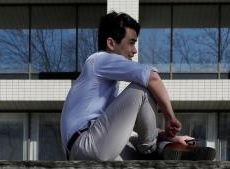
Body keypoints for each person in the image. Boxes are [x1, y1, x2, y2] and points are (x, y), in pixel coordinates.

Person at [61, 11, 215, 161]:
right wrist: (170, 117)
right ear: (111, 43)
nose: (134, 50)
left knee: (141, 141)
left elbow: (138, 126)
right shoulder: (97, 61)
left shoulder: (101, 88)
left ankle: (178, 146)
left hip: (91, 148)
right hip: (86, 145)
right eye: (131, 42)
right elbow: (152, 77)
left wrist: (173, 136)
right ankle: (153, 149)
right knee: (141, 88)